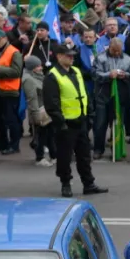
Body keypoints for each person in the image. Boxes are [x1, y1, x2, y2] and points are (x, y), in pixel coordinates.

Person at [43, 44, 107, 199]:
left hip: (81, 120)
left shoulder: (76, 71)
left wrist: (89, 114)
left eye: (72, 55)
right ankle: (66, 183)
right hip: (66, 123)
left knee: (84, 155)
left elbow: (84, 93)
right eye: (68, 55)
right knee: (65, 157)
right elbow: (52, 103)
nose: (72, 58)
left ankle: (88, 183)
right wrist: (61, 123)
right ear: (59, 56)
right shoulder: (53, 76)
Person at [95, 33, 130, 158]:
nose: (117, 53)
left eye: (119, 51)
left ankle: (116, 148)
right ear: (109, 48)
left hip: (120, 94)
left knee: (118, 122)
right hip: (103, 94)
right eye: (114, 50)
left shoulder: (127, 58)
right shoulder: (100, 58)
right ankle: (98, 149)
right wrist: (109, 74)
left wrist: (124, 75)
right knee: (100, 123)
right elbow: (95, 74)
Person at [0, 30, 23, 154]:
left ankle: (14, 145)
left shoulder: (14, 52)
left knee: (11, 119)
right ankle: (2, 142)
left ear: (4, 38)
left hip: (9, 91)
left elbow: (17, 72)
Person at [21, 53, 55, 166]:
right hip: (39, 112)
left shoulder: (38, 75)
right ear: (32, 67)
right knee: (40, 136)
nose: (41, 67)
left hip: (45, 111)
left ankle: (53, 156)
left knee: (49, 135)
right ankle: (39, 158)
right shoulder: (28, 80)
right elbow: (32, 99)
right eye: (38, 66)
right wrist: (36, 116)